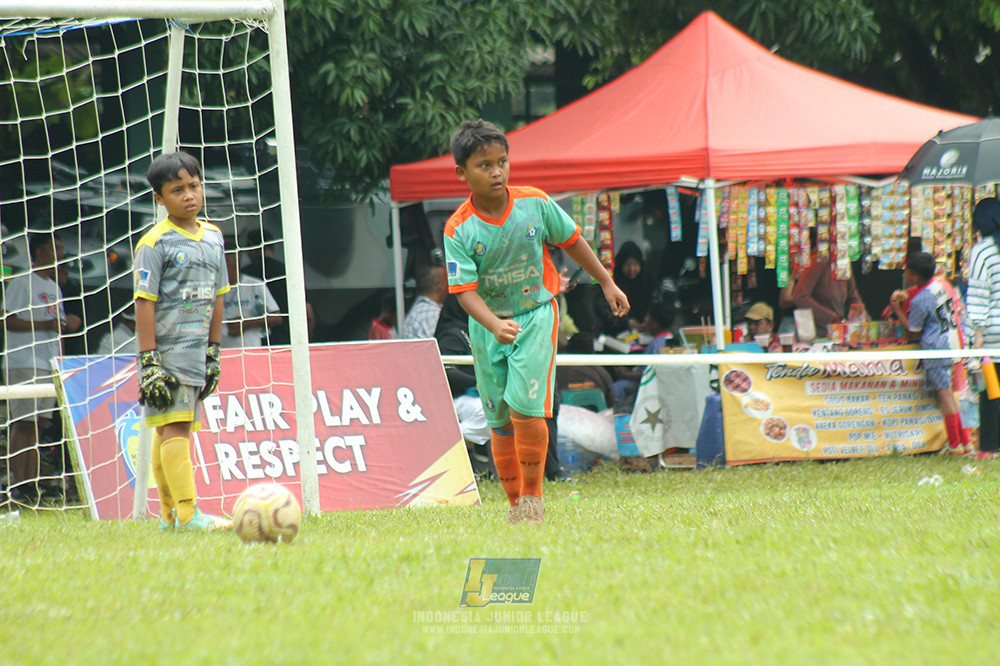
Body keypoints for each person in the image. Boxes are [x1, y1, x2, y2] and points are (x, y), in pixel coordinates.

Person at [442, 119, 630, 525]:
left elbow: (573, 241)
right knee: (499, 417)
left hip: (535, 316)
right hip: (488, 326)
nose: (496, 172)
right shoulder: (458, 227)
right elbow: (464, 291)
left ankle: (533, 499)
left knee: (526, 411)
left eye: (502, 162)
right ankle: (513, 505)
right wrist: (492, 323)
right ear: (462, 172)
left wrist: (607, 282)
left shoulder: (535, 203)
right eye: (484, 165)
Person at [133, 151, 231, 531]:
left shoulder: (214, 237)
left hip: (196, 352)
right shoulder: (153, 244)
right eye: (177, 190)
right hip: (169, 353)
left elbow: (218, 294)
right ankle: (189, 515)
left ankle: (170, 516)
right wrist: (149, 360)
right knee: (176, 428)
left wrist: (213, 348)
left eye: (194, 186)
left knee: (171, 427)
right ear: (159, 199)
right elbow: (145, 303)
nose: (189, 195)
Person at [3, 233, 71, 504]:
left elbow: (58, 324)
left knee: (39, 425)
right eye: (56, 247)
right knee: (24, 423)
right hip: (23, 361)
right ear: (41, 251)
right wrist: (44, 326)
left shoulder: (55, 287)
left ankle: (32, 484)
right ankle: (18, 483)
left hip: (47, 362)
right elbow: (6, 320)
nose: (61, 252)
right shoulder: (22, 281)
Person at [891, 251, 970, 455]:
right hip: (953, 343)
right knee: (952, 397)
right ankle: (966, 442)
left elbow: (913, 330)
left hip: (936, 349)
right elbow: (926, 292)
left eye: (907, 272)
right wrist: (908, 293)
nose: (905, 275)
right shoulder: (944, 285)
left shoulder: (920, 300)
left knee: (945, 396)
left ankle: (954, 446)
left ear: (915, 276)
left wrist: (897, 309)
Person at [967, 197, 1000, 458]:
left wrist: (975, 334)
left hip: (992, 334)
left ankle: (988, 447)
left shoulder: (982, 251)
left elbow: (979, 294)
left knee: (991, 392)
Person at [242, 229, 315, 344]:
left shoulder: (245, 276)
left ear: (251, 247)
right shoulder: (290, 273)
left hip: (256, 344)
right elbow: (308, 314)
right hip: (288, 342)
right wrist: (305, 344)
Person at [791, 235, 868, 334]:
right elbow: (799, 296)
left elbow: (853, 297)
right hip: (816, 332)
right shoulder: (817, 262)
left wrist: (863, 318)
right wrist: (831, 317)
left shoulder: (843, 264)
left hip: (837, 331)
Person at [221, 244, 283, 348]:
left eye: (224, 266)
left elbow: (277, 318)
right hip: (223, 350)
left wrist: (246, 323)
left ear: (236, 264)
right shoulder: (214, 287)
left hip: (250, 350)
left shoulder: (255, 285)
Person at [596, 240, 653, 336]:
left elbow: (653, 304)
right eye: (627, 265)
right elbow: (603, 308)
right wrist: (626, 322)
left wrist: (647, 321)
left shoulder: (648, 281)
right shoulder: (612, 282)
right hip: (615, 335)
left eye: (635, 265)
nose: (631, 269)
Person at [555, 332, 614, 410]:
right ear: (593, 352)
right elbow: (610, 402)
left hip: (561, 413)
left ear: (567, 349)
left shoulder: (556, 367)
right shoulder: (600, 372)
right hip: (596, 415)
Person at [400, 264, 447, 339]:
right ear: (440, 286)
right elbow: (439, 346)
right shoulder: (431, 314)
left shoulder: (419, 309)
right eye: (447, 281)